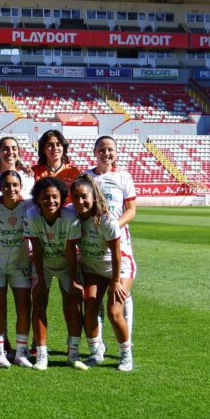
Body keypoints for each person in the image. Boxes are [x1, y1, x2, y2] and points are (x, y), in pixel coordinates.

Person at [65, 174, 134, 372]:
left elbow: (117, 255)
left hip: (119, 268)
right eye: (75, 197)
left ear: (94, 196)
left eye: (84, 197)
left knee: (114, 312)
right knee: (91, 309)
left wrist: (115, 282)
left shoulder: (106, 219)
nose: (80, 201)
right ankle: (96, 353)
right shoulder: (72, 216)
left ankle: (125, 355)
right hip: (93, 268)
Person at [85, 135, 137, 358]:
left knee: (119, 301)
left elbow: (131, 210)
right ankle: (98, 348)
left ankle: (126, 345)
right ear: (95, 152)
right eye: (102, 149)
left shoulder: (123, 176)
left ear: (116, 153)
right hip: (93, 248)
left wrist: (115, 225)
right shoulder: (86, 177)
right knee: (92, 304)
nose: (106, 153)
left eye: (110, 150)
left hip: (119, 245)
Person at [0, 170, 34, 368]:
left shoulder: (29, 205)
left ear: (21, 187)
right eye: (6, 185)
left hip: (20, 264)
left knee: (24, 307)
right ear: (0, 187)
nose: (10, 189)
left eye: (14, 185)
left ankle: (20, 353)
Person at [24, 176, 76, 371]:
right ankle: (42, 355)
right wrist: (39, 280)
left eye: (55, 197)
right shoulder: (32, 215)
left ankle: (73, 354)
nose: (51, 201)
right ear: (38, 198)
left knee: (73, 303)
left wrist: (73, 280)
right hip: (43, 264)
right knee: (38, 302)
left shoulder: (70, 216)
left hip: (67, 264)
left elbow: (71, 251)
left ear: (62, 198)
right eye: (46, 197)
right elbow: (36, 249)